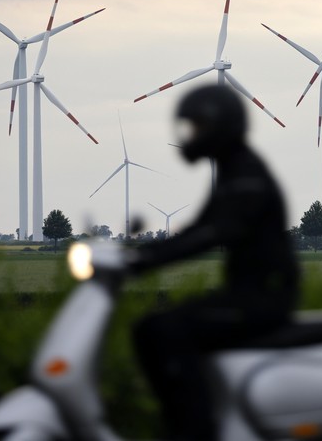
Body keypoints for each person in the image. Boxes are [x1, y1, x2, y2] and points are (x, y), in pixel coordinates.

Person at [129, 84, 300, 441]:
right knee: (157, 327)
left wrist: (147, 261)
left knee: (164, 330)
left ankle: (195, 429)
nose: (193, 136)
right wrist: (144, 254)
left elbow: (214, 232)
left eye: (199, 126)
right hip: (249, 294)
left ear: (221, 125)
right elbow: (200, 228)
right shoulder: (233, 169)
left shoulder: (246, 175)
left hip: (263, 299)